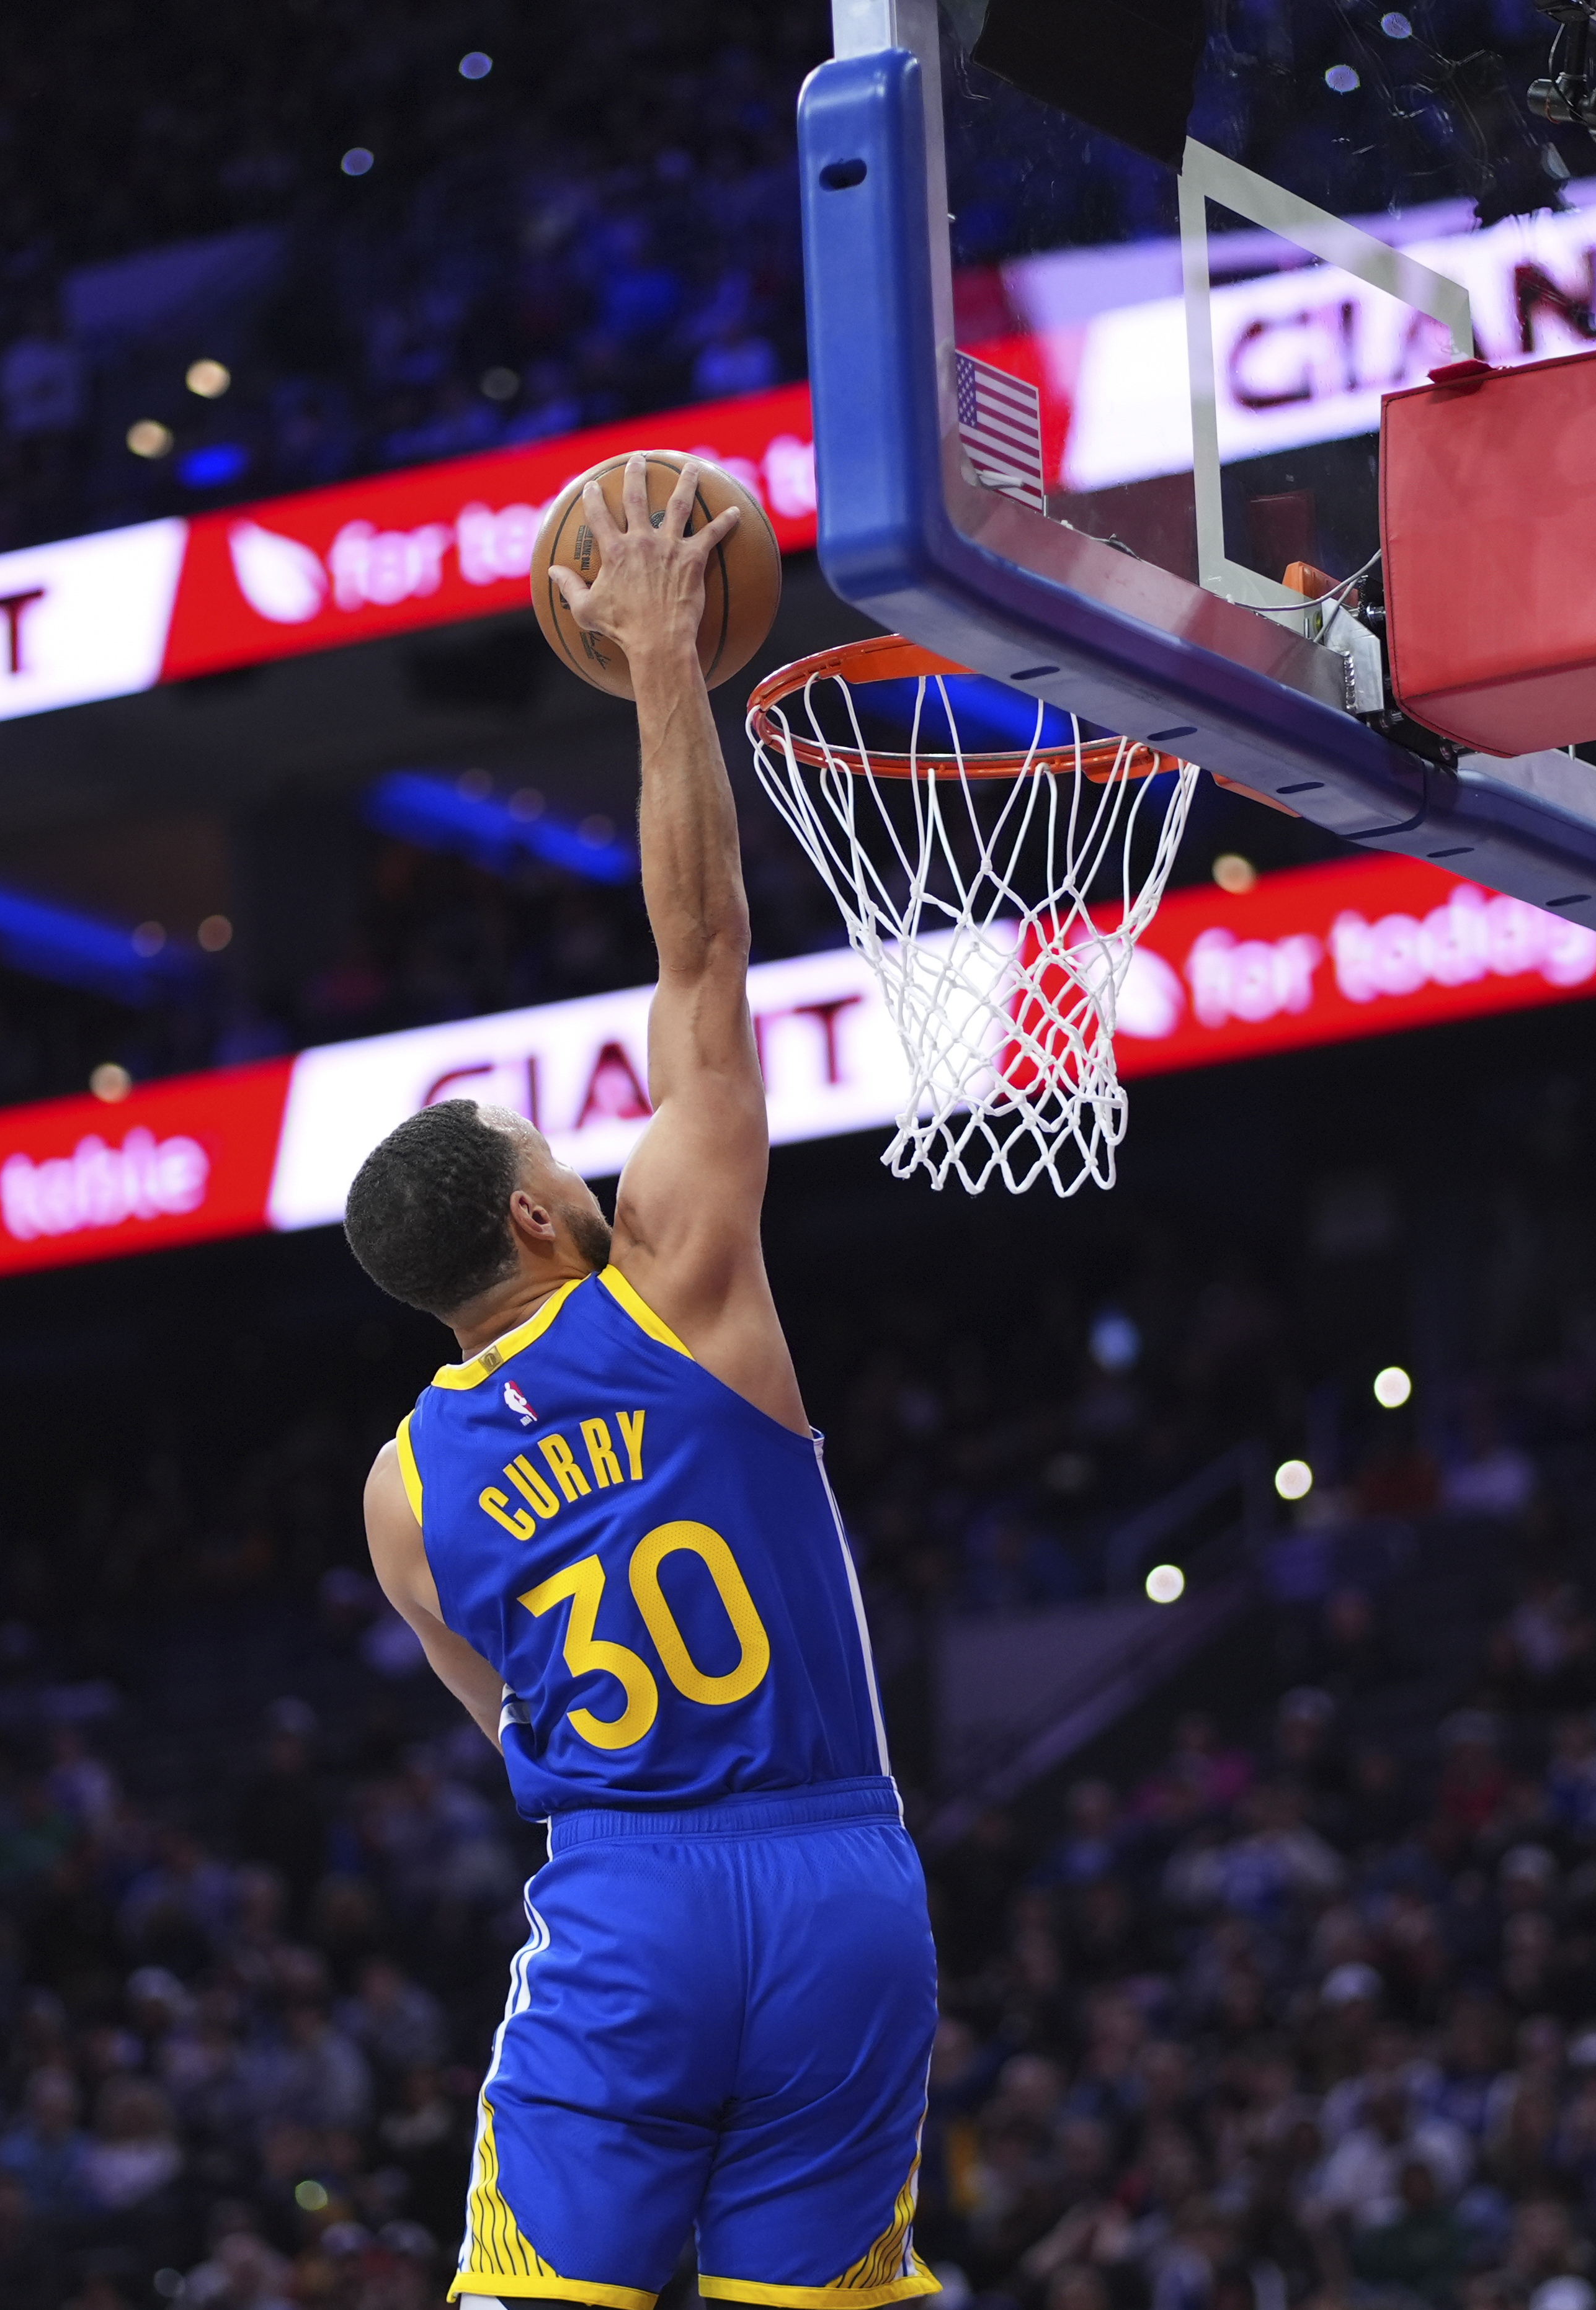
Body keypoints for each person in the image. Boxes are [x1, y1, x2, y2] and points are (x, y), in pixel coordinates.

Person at [344, 456, 937, 2310]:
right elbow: (702, 949)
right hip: (840, 1879)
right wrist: (665, 661)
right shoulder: (683, 1277)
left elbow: (505, 1710)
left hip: (633, 1885)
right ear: (539, 1214)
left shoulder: (401, 1492)